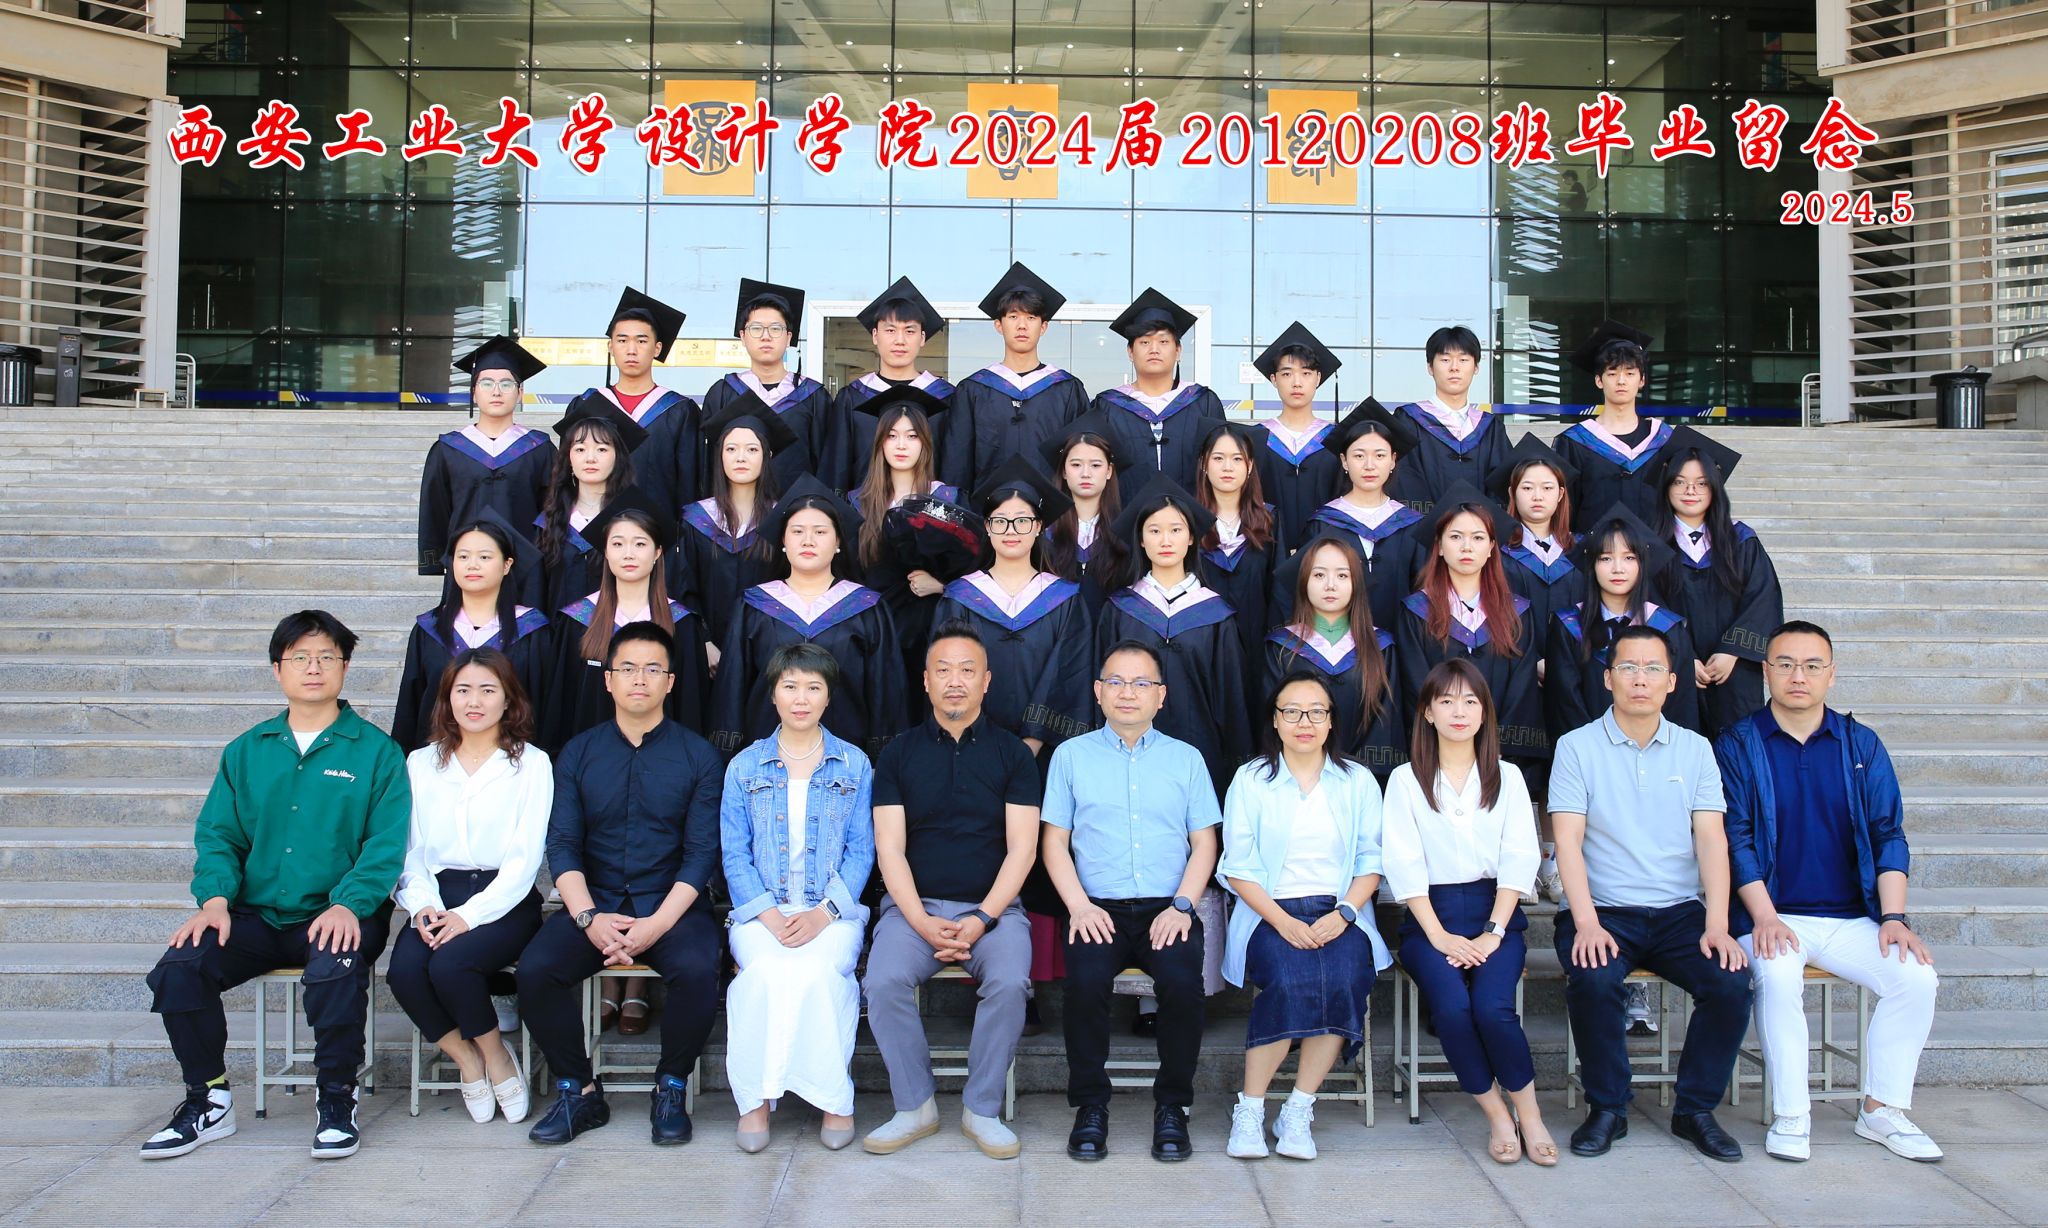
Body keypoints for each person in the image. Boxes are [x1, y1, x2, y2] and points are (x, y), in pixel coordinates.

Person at [140, 611, 409, 1161]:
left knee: (336, 966)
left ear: (345, 667)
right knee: (179, 967)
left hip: (337, 911)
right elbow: (219, 835)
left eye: (327, 657)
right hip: (256, 914)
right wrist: (215, 899)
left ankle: (337, 1097)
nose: (314, 668)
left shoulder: (377, 752)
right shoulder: (248, 750)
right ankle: (209, 1098)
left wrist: (350, 904)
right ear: (277, 669)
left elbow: (387, 845)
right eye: (300, 658)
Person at [1717, 620, 1942, 1163]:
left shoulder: (1860, 744)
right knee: (1777, 974)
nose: (1799, 676)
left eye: (1812, 665)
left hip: (1850, 918)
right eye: (1786, 664)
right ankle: (1793, 1115)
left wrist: (1894, 918)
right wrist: (1765, 917)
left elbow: (1889, 834)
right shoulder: (1738, 744)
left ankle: (1882, 1110)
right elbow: (1735, 838)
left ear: (1831, 674)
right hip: (1771, 914)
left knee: (1917, 978)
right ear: (1766, 671)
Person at [1549, 624, 1752, 1162]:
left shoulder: (1696, 749)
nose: (1641, 679)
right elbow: (1567, 842)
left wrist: (1717, 924)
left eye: (1653, 669)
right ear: (1608, 678)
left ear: (1672, 681)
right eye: (1629, 668)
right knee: (1593, 979)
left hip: (1679, 912)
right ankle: (1608, 1108)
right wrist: (1586, 922)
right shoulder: (1576, 747)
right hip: (1603, 910)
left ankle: (1695, 1110)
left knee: (1731, 983)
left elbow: (1711, 840)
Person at [516, 621, 725, 1147]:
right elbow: (563, 844)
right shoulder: (578, 753)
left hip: (671, 905)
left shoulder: (699, 756)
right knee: (537, 971)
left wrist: (657, 924)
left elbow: (701, 854)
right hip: (597, 904)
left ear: (670, 682)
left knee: (700, 970)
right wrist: (587, 917)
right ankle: (579, 1090)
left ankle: (670, 1086)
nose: (639, 679)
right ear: (607, 679)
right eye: (627, 668)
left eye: (653, 669)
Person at [861, 624, 1041, 1160]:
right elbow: (890, 849)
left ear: (986, 681)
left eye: (967, 670)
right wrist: (919, 920)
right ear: (926, 681)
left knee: (1009, 983)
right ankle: (914, 1106)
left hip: (994, 910)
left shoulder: (1013, 755)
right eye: (943, 670)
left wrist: (983, 918)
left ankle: (981, 1109)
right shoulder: (898, 754)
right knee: (883, 981)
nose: (955, 681)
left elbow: (1023, 850)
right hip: (913, 910)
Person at [1041, 640, 1221, 1162]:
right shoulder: (1071, 756)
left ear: (1160, 696)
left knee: (1183, 986)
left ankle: (1173, 1107)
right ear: (1098, 691)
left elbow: (1204, 843)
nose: (1128, 693)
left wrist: (1183, 906)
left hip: (1169, 908)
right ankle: (1090, 1106)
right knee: (1084, 984)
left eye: (1141, 683)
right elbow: (1053, 841)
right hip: (1096, 908)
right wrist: (1079, 906)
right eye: (1116, 682)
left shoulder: (1186, 759)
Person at [934, 455, 1097, 1033]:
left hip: (1043, 752)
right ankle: (986, 973)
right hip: (973, 747)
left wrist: (1031, 737)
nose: (1010, 530)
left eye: (1022, 521)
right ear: (987, 528)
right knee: (985, 849)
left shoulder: (1065, 598)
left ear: (1038, 528)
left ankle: (1029, 979)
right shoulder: (961, 597)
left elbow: (1070, 670)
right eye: (1000, 521)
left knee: (1038, 852)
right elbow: (947, 667)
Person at [1381, 660, 1555, 1165]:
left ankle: (1531, 1116)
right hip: (1429, 920)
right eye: (1447, 701)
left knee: (1492, 1008)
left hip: (1494, 915)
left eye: (1470, 701)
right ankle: (1497, 1115)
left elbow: (1519, 855)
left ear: (1484, 712)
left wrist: (1493, 932)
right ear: (1427, 712)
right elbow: (1403, 861)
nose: (1459, 711)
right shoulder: (1406, 780)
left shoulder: (1507, 776)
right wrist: (1439, 936)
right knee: (1453, 1011)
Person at [1218, 672, 1392, 1162]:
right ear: (1275, 721)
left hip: (1341, 909)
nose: (1304, 722)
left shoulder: (1356, 781)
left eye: (1317, 711)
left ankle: (1297, 1109)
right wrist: (1282, 921)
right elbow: (1237, 866)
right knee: (1290, 981)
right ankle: (1250, 1109)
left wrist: (1346, 912)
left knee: (1343, 978)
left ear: (1331, 721)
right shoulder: (1251, 779)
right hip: (1269, 911)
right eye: (1291, 711)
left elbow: (1371, 859)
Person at [719, 643, 875, 1153]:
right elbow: (734, 854)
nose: (801, 698)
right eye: (790, 686)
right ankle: (755, 1101)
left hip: (833, 912)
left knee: (819, 972)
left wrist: (824, 914)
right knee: (762, 974)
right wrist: (767, 914)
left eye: (813, 687)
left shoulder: (854, 764)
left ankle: (833, 1099)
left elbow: (861, 851)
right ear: (773, 694)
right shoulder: (744, 766)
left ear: (829, 696)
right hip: (760, 912)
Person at [387, 648, 550, 1126]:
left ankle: (497, 1056)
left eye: (487, 690)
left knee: (452, 964)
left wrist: (467, 916)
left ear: (508, 699)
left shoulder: (531, 764)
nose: (474, 701)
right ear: (447, 698)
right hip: (437, 894)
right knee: (405, 972)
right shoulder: (421, 763)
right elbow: (411, 849)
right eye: (463, 690)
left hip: (504, 900)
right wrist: (422, 905)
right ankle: (468, 1059)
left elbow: (524, 860)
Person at [711, 474, 906, 757]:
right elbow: (732, 686)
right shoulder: (755, 605)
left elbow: (884, 690)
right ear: (783, 540)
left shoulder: (866, 607)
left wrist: (880, 761)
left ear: (838, 542)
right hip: (765, 759)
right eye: (797, 531)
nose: (808, 541)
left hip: (847, 760)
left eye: (820, 532)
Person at [1095, 474, 1251, 800]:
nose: (1165, 540)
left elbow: (1232, 702)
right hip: (1124, 754)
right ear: (1141, 540)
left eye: (1176, 530)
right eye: (1154, 531)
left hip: (1202, 756)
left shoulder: (1216, 614)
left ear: (1191, 538)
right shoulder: (1120, 609)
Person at [541, 490, 710, 757]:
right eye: (618, 544)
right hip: (591, 763)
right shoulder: (577, 621)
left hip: (665, 763)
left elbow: (692, 708)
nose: (628, 554)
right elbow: (560, 708)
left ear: (657, 552)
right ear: (606, 552)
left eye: (640, 544)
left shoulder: (683, 624)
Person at [1392, 484, 1546, 767]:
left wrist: (1497, 746)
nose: (1466, 547)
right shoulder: (1416, 611)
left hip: (1498, 758)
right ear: (1439, 547)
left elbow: (1522, 687)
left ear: (1491, 548)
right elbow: (1415, 683)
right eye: (1455, 537)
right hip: (1436, 754)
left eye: (1477, 537)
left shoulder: (1516, 612)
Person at [1489, 433, 1579, 902]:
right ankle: (1521, 863)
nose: (1537, 496)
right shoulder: (1498, 553)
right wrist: (1531, 660)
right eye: (1527, 487)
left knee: (1562, 770)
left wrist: (1563, 662)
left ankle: (1554, 862)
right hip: (1517, 674)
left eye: (1547, 487)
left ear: (1561, 494)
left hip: (1570, 678)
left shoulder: (1580, 552)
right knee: (1522, 769)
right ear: (1513, 494)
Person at [1651, 426, 1783, 739]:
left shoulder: (1741, 541)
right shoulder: (1651, 545)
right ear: (1666, 486)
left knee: (1736, 744)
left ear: (1715, 488)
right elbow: (1649, 604)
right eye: (1679, 482)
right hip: (1675, 669)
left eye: (1701, 483)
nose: (1690, 491)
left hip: (1734, 671)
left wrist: (1732, 651)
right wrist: (1681, 657)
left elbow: (1762, 599)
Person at [392, 511, 550, 754]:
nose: (472, 565)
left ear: (507, 565)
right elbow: (410, 705)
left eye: (484, 557)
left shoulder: (531, 629)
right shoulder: (429, 628)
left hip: (513, 759)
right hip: (437, 758)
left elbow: (543, 704)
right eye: (463, 556)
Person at [1545, 502, 1703, 741]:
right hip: (1588, 755)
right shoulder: (1568, 626)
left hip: (1655, 753)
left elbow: (1681, 707)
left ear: (1642, 564)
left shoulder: (1668, 629)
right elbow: (1565, 706)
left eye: (1629, 557)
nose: (1617, 568)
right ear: (1592, 565)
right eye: (1606, 558)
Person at [416, 337, 554, 590]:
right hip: (467, 564)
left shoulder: (539, 448)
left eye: (506, 384)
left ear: (520, 393)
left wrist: (543, 555)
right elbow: (435, 512)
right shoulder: (448, 449)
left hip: (525, 567)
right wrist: (436, 559)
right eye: (487, 383)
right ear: (474, 392)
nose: (496, 391)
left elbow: (553, 509)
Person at [941, 262, 1089, 493]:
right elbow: (957, 463)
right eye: (1013, 316)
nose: (1022, 326)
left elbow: (1081, 457)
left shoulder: (1067, 389)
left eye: (1031, 317)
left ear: (1043, 327)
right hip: (987, 510)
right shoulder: (974, 390)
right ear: (998, 325)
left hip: (1052, 509)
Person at [852, 386, 961, 690]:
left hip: (931, 630)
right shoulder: (858, 503)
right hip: (873, 631)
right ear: (880, 443)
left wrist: (942, 586)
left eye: (912, 436)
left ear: (925, 443)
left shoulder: (947, 501)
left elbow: (974, 569)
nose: (902, 445)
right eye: (892, 435)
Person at [1265, 538, 1402, 776]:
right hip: (1296, 776)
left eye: (1342, 575)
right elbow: (1272, 718)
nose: (1330, 585)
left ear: (1356, 583)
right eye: (1319, 575)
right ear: (1304, 582)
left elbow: (1384, 724)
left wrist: (1359, 775)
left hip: (1360, 779)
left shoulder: (1380, 647)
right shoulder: (1281, 647)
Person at [562, 287, 701, 515]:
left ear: (657, 348)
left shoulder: (679, 411)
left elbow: (688, 486)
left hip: (656, 530)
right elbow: (566, 477)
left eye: (642, 341)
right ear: (610, 347)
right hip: (592, 529)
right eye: (622, 340)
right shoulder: (586, 406)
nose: (631, 350)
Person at [682, 393, 797, 665]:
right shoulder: (695, 519)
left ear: (767, 456)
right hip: (707, 655)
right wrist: (704, 642)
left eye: (752, 449)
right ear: (720, 456)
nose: (740, 458)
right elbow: (684, 588)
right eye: (731, 449)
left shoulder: (785, 519)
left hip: (771, 653)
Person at [1292, 397, 1425, 632]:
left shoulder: (1411, 525)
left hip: (1403, 639)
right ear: (1344, 461)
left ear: (1393, 461)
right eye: (1359, 455)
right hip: (1337, 643)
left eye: (1380, 455)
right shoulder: (1322, 524)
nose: (1369, 465)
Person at [821, 276, 955, 493]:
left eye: (909, 331)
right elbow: (837, 466)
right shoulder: (852, 398)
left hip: (928, 510)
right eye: (890, 330)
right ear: (875, 336)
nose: (899, 340)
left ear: (922, 338)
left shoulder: (946, 397)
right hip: (863, 510)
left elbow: (952, 464)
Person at [1089, 288, 1228, 488]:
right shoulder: (1107, 406)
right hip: (1126, 508)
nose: (1154, 349)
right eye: (1145, 342)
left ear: (1178, 350)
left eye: (1163, 341)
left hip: (1191, 507)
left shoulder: (1203, 402)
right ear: (1130, 352)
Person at [700, 278, 831, 489]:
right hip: (735, 508)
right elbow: (708, 462)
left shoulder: (814, 397)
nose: (766, 336)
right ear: (743, 336)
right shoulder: (722, 393)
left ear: (788, 337)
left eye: (775, 329)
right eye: (756, 328)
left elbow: (825, 465)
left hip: (796, 506)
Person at [1195, 419, 1286, 707]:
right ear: (1204, 464)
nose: (1227, 467)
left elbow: (1279, 592)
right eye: (1218, 458)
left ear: (1250, 467)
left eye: (1237, 459)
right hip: (1201, 649)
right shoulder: (1187, 522)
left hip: (1256, 650)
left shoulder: (1269, 521)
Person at [536, 398, 647, 618]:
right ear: (569, 458)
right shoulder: (548, 522)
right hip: (561, 634)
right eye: (580, 449)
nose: (590, 458)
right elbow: (537, 593)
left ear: (618, 457)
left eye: (602, 449)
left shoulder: (638, 521)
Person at [1553, 320, 1672, 523]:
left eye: (1630, 373)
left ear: (1642, 380)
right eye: (1612, 373)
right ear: (1599, 380)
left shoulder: (1662, 439)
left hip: (1652, 543)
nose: (1621, 381)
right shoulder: (1575, 442)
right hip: (1593, 543)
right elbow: (1565, 510)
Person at [1391, 326, 1509, 515]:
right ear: (1430, 367)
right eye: (1445, 360)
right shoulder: (1409, 420)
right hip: (1425, 530)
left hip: (1481, 530)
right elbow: (1405, 481)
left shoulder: (1490, 427)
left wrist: (1482, 525)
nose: (1454, 367)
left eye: (1463, 360)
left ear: (1476, 367)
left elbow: (1501, 485)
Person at [1251, 322, 1346, 547]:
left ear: (1318, 378)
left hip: (1325, 550)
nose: (1296, 383)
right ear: (1274, 379)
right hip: (1267, 549)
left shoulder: (1337, 439)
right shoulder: (1256, 438)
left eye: (1306, 373)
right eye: (1287, 373)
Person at [1040, 413, 1130, 618]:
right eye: (1076, 464)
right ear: (1064, 471)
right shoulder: (1044, 534)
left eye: (1095, 465)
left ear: (1109, 471)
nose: (1086, 473)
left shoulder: (1126, 535)